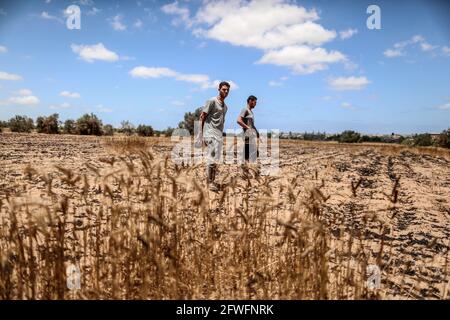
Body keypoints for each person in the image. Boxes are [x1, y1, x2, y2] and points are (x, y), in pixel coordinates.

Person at [197, 81, 230, 192]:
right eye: (223, 89)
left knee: (215, 159)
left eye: (227, 90)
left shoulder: (225, 107)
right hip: (209, 133)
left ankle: (211, 180)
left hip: (218, 136)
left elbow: (222, 123)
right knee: (211, 157)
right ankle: (209, 183)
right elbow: (202, 117)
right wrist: (200, 135)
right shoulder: (211, 101)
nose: (225, 91)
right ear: (219, 89)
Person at [237, 95, 259, 164]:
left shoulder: (251, 112)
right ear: (250, 101)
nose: (256, 104)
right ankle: (246, 167)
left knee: (254, 153)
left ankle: (248, 166)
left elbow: (252, 124)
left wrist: (257, 132)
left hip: (251, 135)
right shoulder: (245, 110)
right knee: (248, 153)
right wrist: (247, 128)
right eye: (255, 102)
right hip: (247, 135)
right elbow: (239, 120)